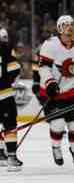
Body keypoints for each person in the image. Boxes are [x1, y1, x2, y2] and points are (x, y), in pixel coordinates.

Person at [38, 15, 74, 169]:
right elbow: (43, 67)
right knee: (58, 124)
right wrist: (50, 82)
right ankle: (56, 147)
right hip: (50, 93)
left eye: (71, 24)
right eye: (65, 25)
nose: (69, 27)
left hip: (70, 93)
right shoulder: (50, 45)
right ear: (59, 28)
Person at [0, 28, 22, 171]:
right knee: (9, 125)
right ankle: (11, 157)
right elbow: (15, 69)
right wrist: (6, 81)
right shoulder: (6, 48)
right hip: (4, 94)